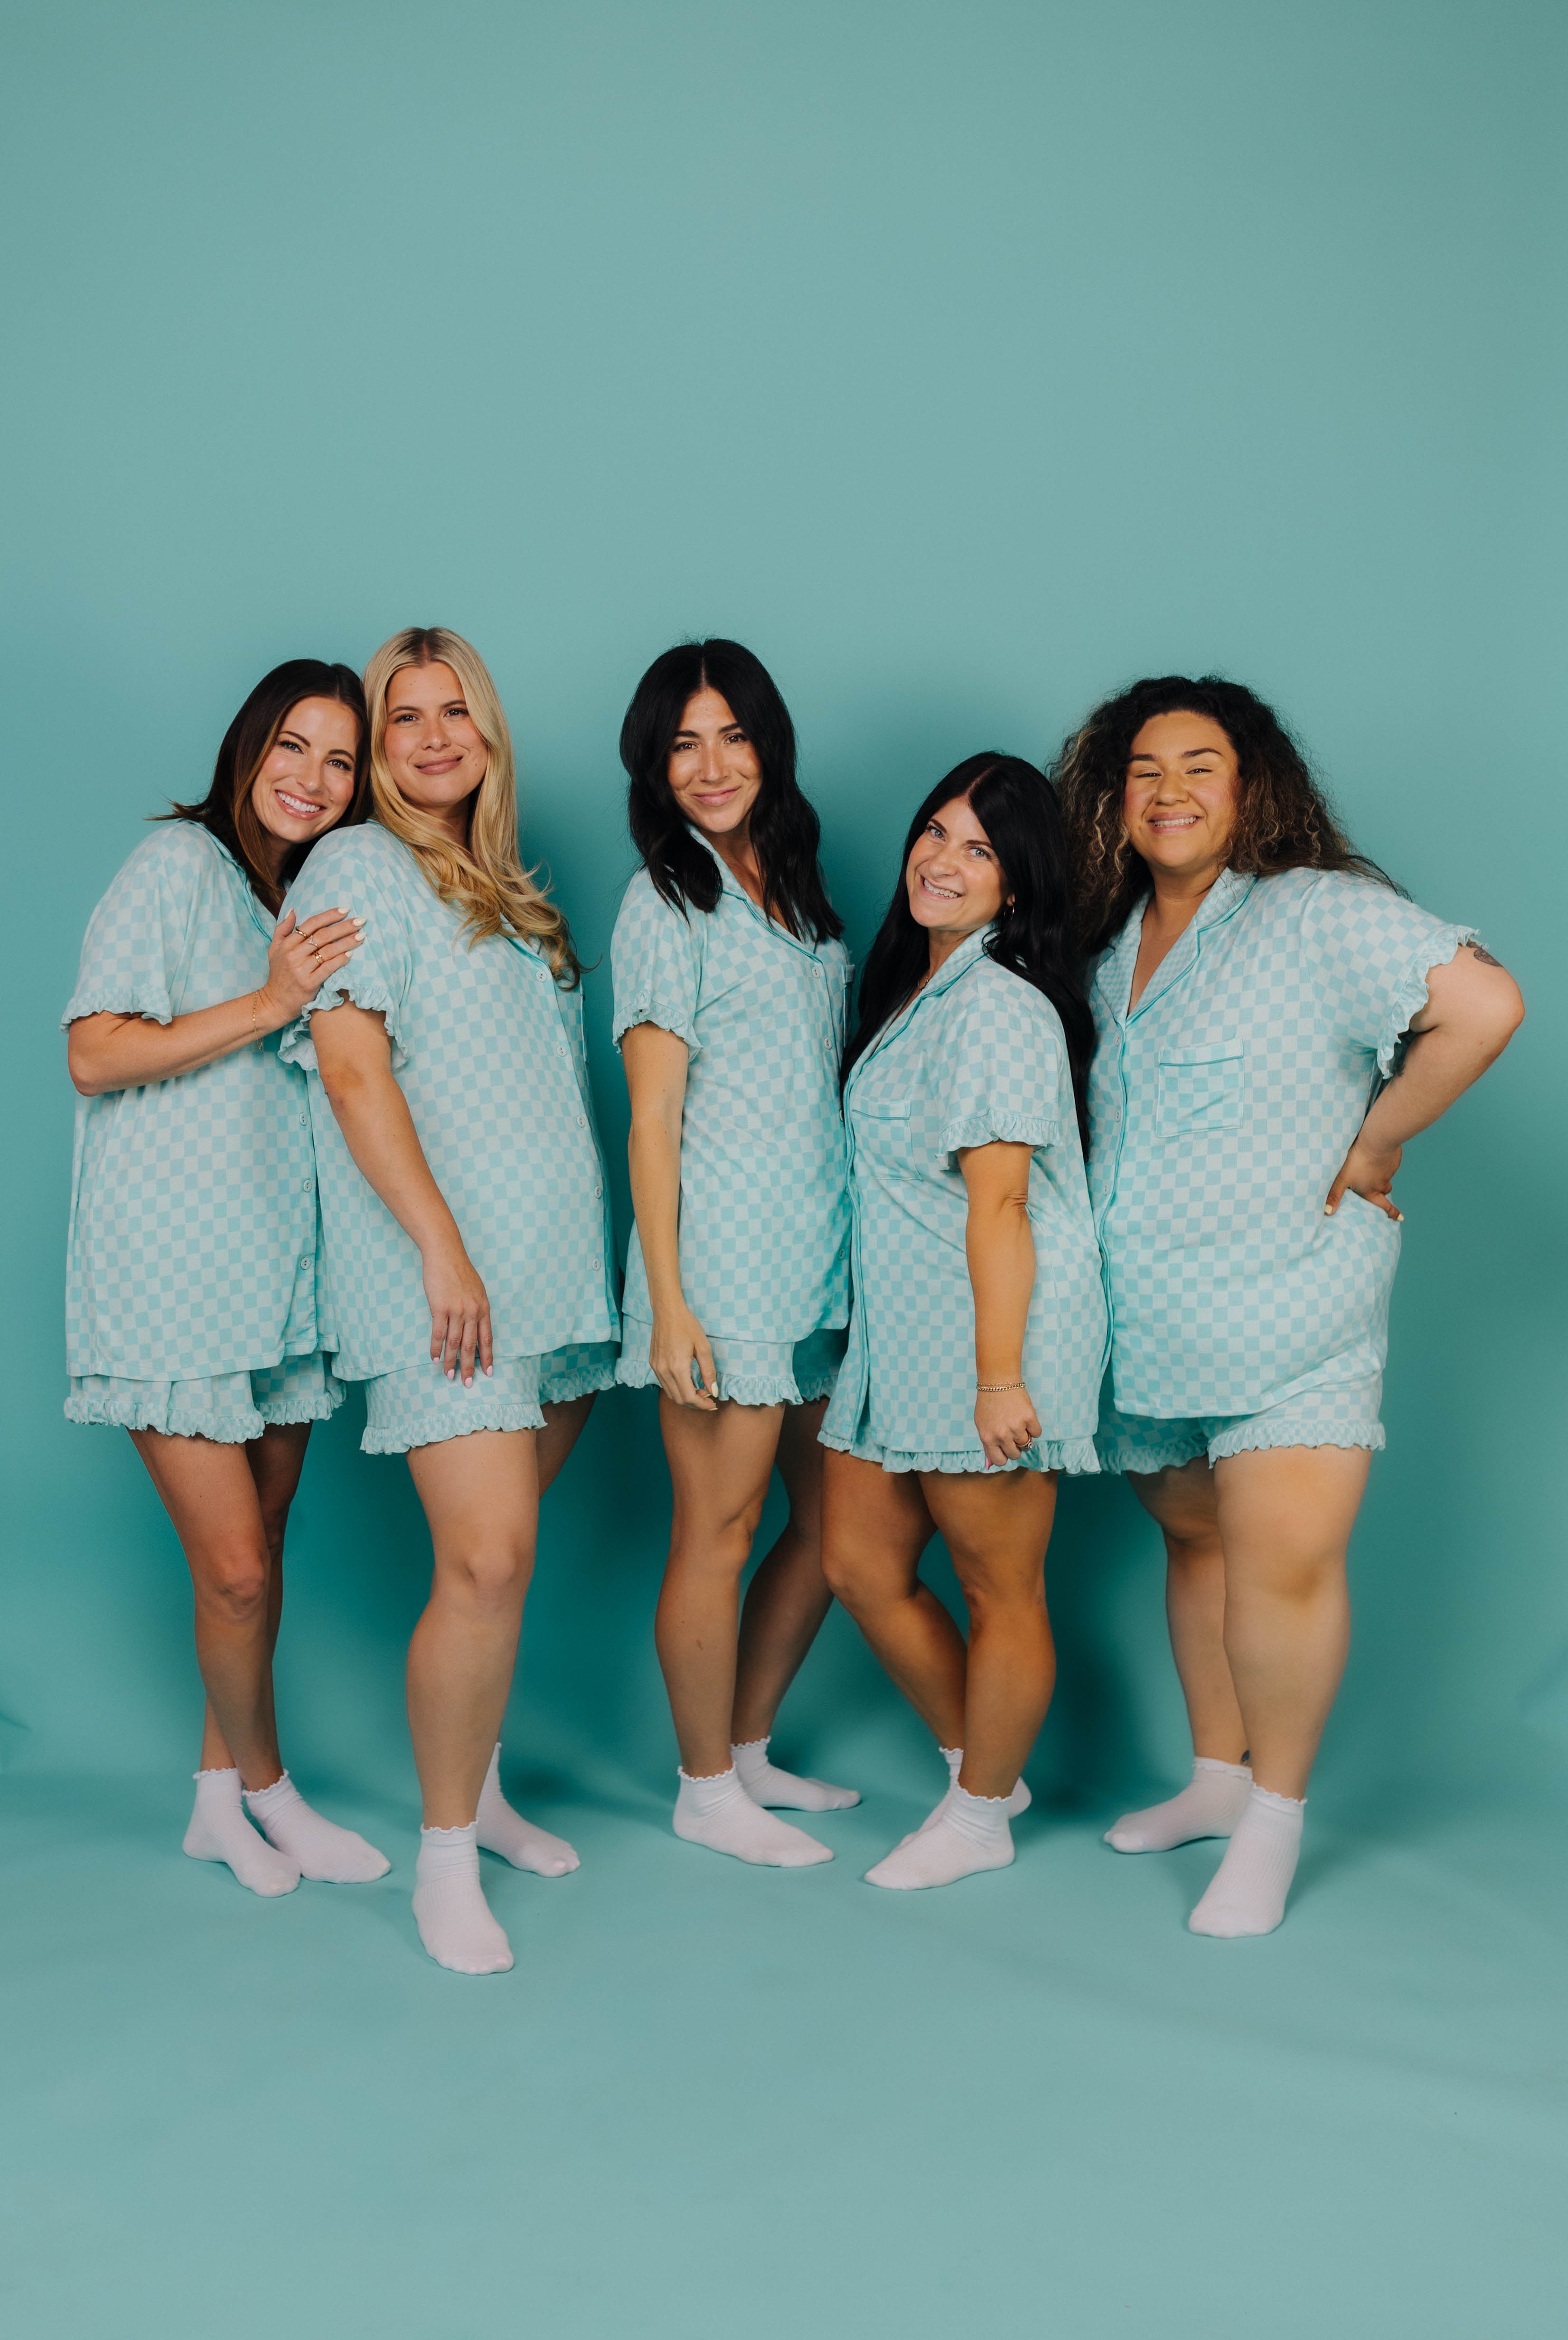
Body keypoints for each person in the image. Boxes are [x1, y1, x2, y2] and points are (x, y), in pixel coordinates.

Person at [1055, 675, 1524, 1936]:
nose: (1170, 792)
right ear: (1114, 797)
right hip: (1145, 1328)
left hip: (1293, 1315)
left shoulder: (1316, 914)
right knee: (1195, 1545)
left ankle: (1274, 1818)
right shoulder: (1106, 955)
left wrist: (1373, 1150)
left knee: (1280, 1566)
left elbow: (1484, 1008)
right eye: (1144, 770)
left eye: (1199, 765)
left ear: (1250, 786)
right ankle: (1216, 1777)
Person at [282, 627, 619, 1974]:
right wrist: (440, 1248)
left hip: (550, 1276)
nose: (432, 737)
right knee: (481, 1559)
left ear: (489, 735)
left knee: (511, 1556)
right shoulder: (355, 864)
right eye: (403, 715)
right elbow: (356, 1072)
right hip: (447, 1280)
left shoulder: (510, 889)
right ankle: (440, 1859)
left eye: (455, 712)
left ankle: (479, 1794)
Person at [64, 658, 389, 1896]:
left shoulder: (299, 893)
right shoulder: (173, 866)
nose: (314, 778)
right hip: (166, 1277)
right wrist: (268, 1003)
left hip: (276, 1273)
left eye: (340, 760)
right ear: (248, 747)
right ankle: (270, 1791)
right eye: (294, 748)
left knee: (262, 1545)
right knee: (238, 1567)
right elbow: (94, 1054)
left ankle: (217, 1802)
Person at [820, 756, 1106, 1889]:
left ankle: (980, 1813)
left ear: (1017, 885)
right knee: (857, 1561)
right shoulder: (920, 992)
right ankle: (983, 1761)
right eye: (934, 831)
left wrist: (998, 1378)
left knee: (1000, 1589)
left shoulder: (994, 1006)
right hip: (903, 1330)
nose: (941, 860)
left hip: (989, 1332)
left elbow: (998, 1205)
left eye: (978, 849)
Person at [612, 639, 858, 1868]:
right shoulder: (667, 896)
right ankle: (702, 1785)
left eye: (733, 735)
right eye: (682, 743)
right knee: (717, 1528)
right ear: (655, 766)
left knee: (836, 1529)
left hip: (825, 1255)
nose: (710, 766)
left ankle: (749, 1749)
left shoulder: (798, 886)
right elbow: (651, 1118)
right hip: (720, 1261)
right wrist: (667, 1302)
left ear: (769, 743)